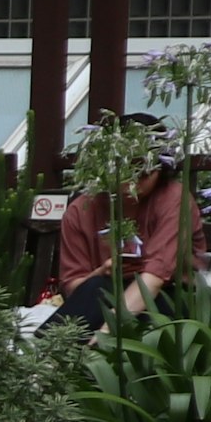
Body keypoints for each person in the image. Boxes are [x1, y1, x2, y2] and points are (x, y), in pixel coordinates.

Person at [40, 116, 186, 324]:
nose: (131, 183)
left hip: (166, 301)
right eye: (125, 172)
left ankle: (52, 351)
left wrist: (106, 334)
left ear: (160, 170)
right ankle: (49, 351)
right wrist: (103, 272)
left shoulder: (173, 198)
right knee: (97, 287)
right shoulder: (81, 209)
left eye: (143, 173)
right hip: (103, 298)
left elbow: (155, 278)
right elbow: (73, 290)